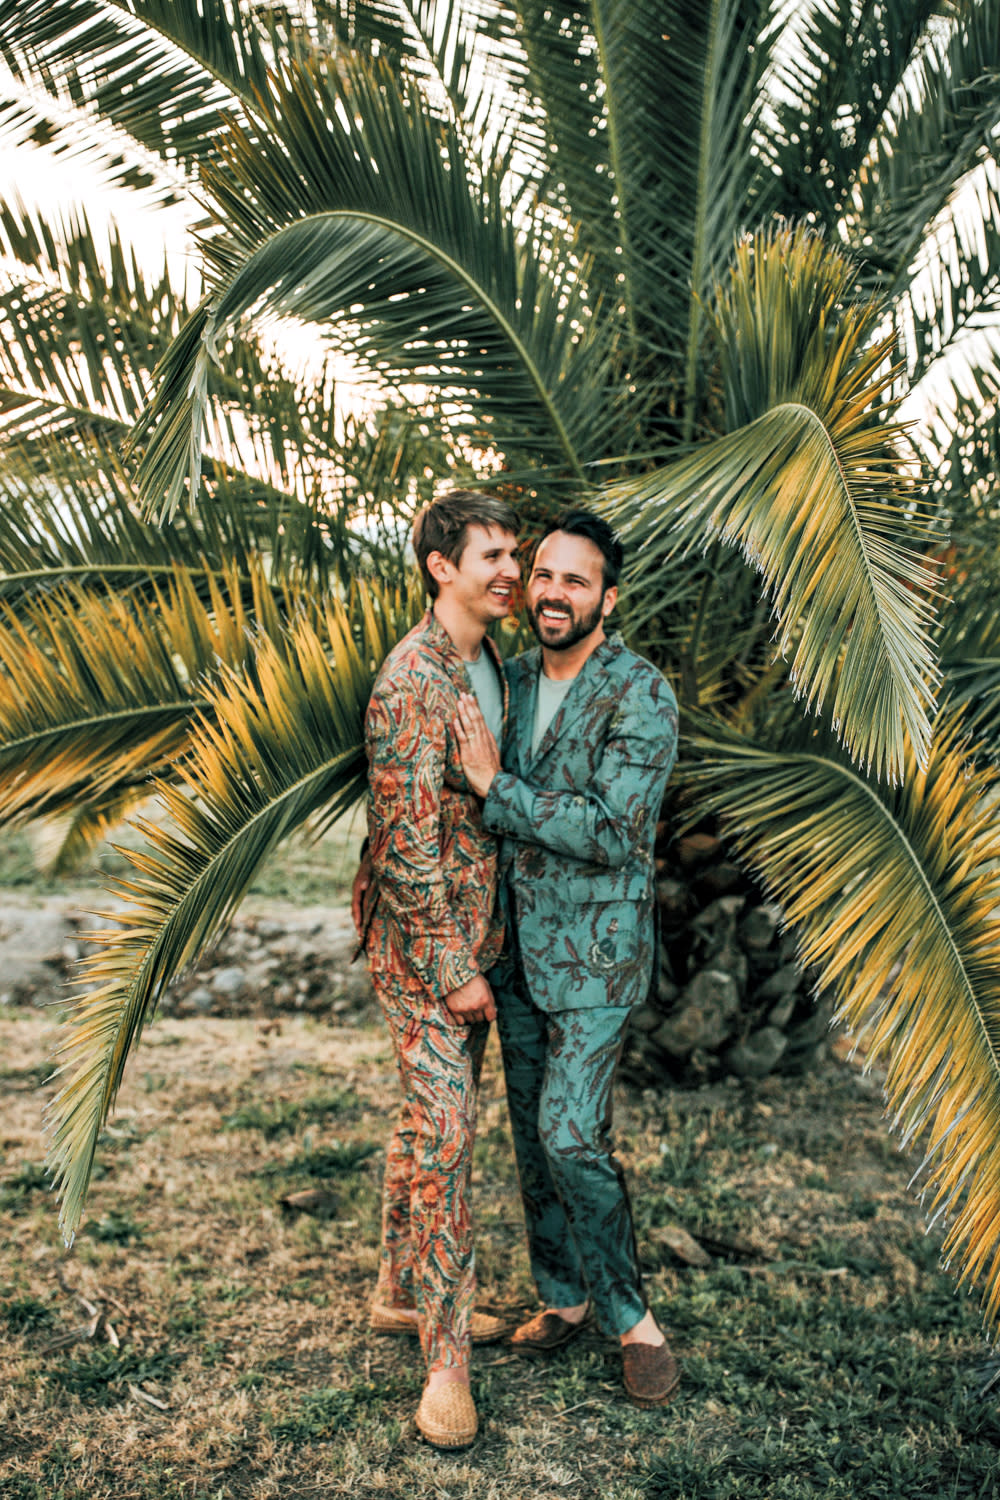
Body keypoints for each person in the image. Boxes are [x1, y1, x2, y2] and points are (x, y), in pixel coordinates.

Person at [453, 509, 680, 1408]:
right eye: (543, 575)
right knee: (530, 1140)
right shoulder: (502, 682)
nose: (551, 592)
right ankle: (564, 1294)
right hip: (512, 955)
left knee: (571, 1136)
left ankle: (633, 1319)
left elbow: (614, 831)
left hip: (597, 961)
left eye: (574, 580)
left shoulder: (640, 692)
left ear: (607, 598)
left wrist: (492, 788)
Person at [358, 489, 520, 1450]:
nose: (509, 571)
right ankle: (446, 1358)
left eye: (514, 553)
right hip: (423, 955)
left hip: (476, 943)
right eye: (491, 556)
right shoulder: (410, 679)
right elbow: (405, 843)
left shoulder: (486, 659)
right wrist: (458, 970)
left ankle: (394, 1291)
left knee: (429, 1118)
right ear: (440, 566)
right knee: (452, 1132)